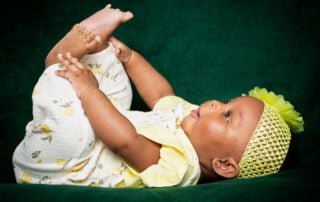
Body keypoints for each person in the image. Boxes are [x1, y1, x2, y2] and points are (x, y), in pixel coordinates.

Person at [12, 4, 304, 188]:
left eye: (227, 115)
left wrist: (88, 90)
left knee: (77, 111)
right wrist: (129, 59)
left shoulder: (181, 168)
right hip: (101, 128)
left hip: (63, 166)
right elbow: (162, 95)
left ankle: (58, 65)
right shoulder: (189, 118)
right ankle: (89, 49)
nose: (216, 103)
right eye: (227, 102)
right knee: (115, 84)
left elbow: (125, 142)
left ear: (224, 165)